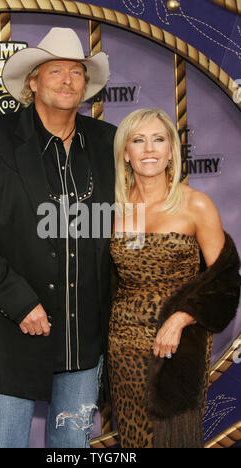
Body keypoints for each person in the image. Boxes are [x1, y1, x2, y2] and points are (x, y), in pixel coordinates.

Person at [0, 27, 116, 448]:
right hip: (16, 329)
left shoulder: (109, 142)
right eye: (54, 71)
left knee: (72, 450)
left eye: (76, 72)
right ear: (33, 82)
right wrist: (19, 300)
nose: (66, 80)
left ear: (86, 84)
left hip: (86, 336)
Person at [108, 108, 240, 448]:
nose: (149, 149)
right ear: (125, 152)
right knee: (133, 440)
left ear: (171, 151)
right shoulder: (114, 209)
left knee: (176, 439)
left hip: (178, 347)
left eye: (158, 139)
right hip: (123, 345)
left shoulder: (195, 205)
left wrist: (180, 319)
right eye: (138, 140)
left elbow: (224, 279)